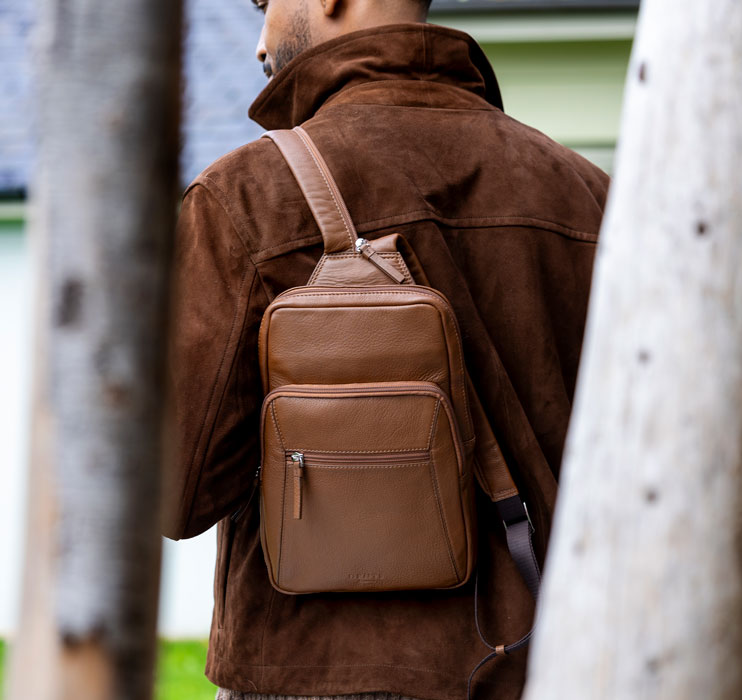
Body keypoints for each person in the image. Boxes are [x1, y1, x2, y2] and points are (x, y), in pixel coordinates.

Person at [162, 0, 609, 698]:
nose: (259, 41)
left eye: (265, 3)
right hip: (552, 669)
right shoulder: (593, 199)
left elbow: (173, 493)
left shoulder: (246, 199)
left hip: (313, 675)